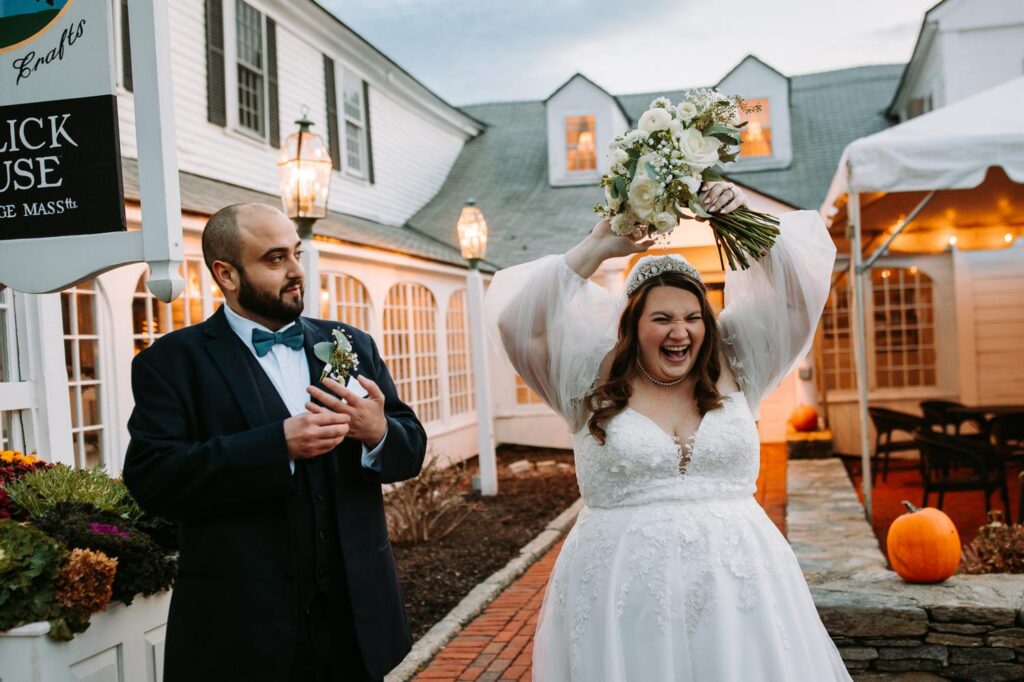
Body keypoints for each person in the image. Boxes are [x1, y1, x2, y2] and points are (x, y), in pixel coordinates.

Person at [487, 183, 851, 681]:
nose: (680, 331)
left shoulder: (739, 366)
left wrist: (744, 221)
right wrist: (596, 248)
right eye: (662, 318)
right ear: (634, 324)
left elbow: (800, 299)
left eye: (692, 317)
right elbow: (517, 327)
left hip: (740, 597)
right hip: (625, 600)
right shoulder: (585, 383)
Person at [124, 203, 426, 682]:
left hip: (355, 621)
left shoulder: (351, 344)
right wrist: (276, 445)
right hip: (241, 630)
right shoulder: (171, 363)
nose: (296, 272)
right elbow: (153, 476)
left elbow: (411, 448)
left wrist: (379, 432)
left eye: (297, 254)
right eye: (275, 259)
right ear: (226, 274)